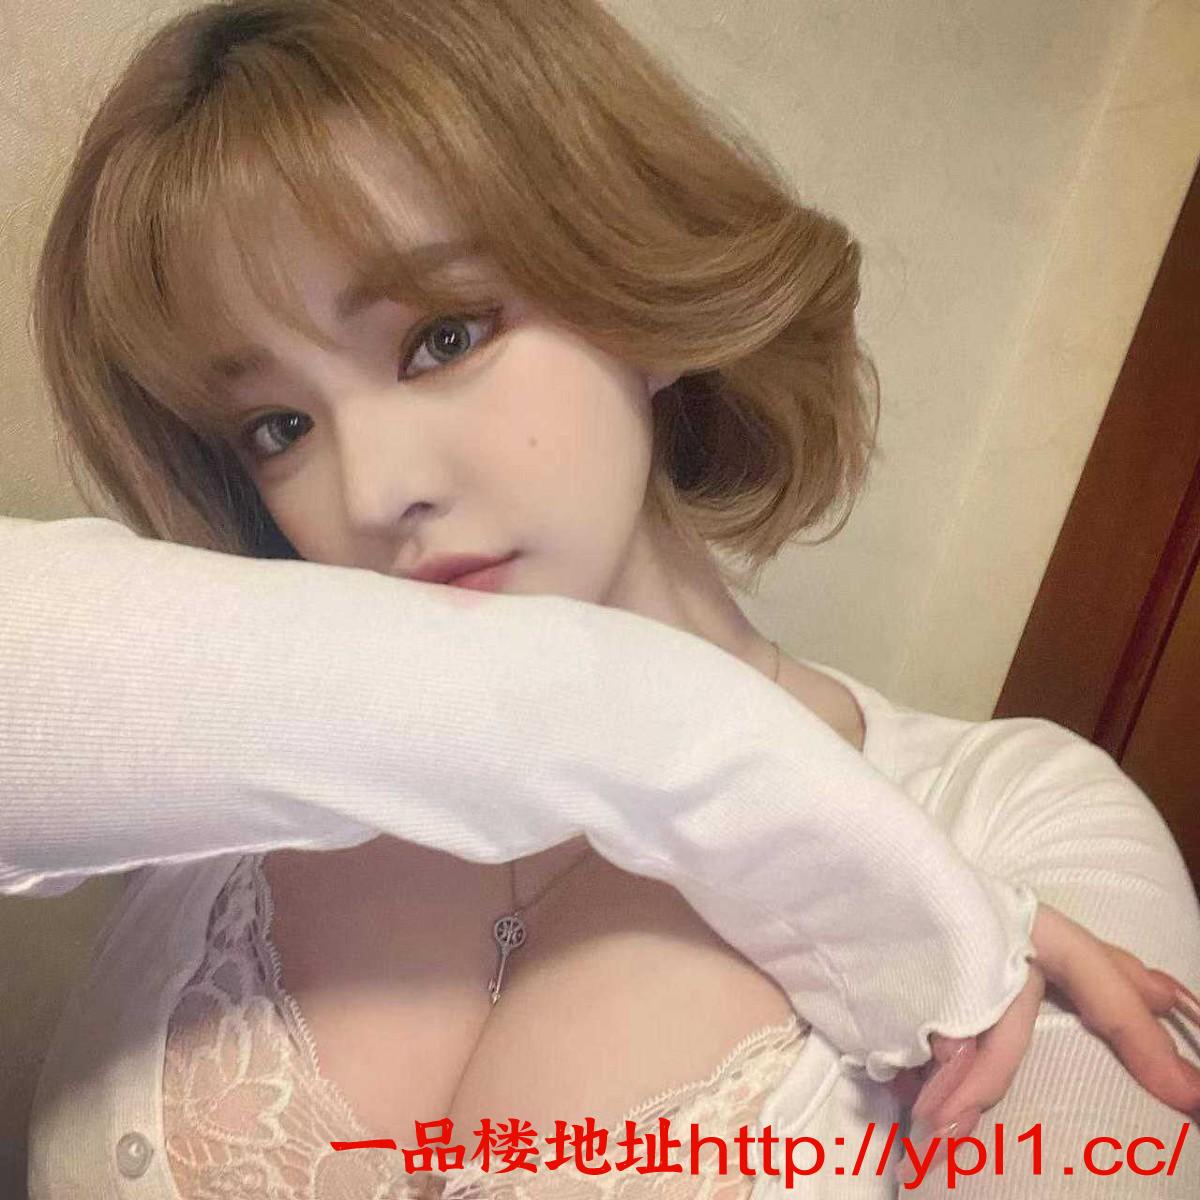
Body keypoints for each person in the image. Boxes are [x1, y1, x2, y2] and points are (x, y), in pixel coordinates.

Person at [5, 0, 1198, 1196]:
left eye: (443, 337)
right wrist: (662, 737)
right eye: (278, 426)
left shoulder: (1019, 822)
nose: (371, 494)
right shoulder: (225, 784)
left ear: (636, 287)